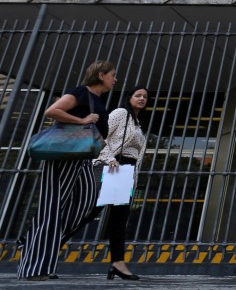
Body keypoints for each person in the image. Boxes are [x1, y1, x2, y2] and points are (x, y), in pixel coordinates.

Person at [17, 61, 116, 281]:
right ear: (101, 75)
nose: (115, 79)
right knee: (52, 209)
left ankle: (31, 240)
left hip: (82, 159)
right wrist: (82, 120)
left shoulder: (97, 99)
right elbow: (52, 111)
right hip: (64, 156)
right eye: (112, 75)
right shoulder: (81, 92)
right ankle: (35, 269)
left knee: (89, 201)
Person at [95, 86, 149, 280]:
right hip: (113, 167)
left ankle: (117, 263)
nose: (142, 99)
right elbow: (101, 135)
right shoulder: (120, 113)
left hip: (126, 172)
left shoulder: (137, 122)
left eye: (145, 97)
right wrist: (108, 158)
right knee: (89, 212)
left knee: (119, 217)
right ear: (129, 97)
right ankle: (46, 246)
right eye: (138, 95)